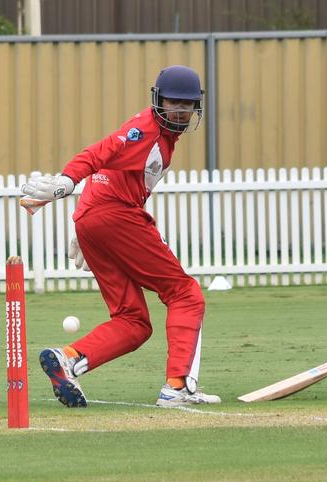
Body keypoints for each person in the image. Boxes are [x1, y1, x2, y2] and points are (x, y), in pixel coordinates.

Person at [21, 65, 221, 407]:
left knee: (134, 322)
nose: (181, 111)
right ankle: (178, 387)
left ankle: (68, 358)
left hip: (96, 217)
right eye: (174, 102)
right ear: (158, 100)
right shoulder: (144, 131)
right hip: (113, 215)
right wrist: (69, 181)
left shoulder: (162, 135)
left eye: (187, 105)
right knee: (185, 293)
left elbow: (113, 176)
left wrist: (85, 227)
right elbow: (97, 154)